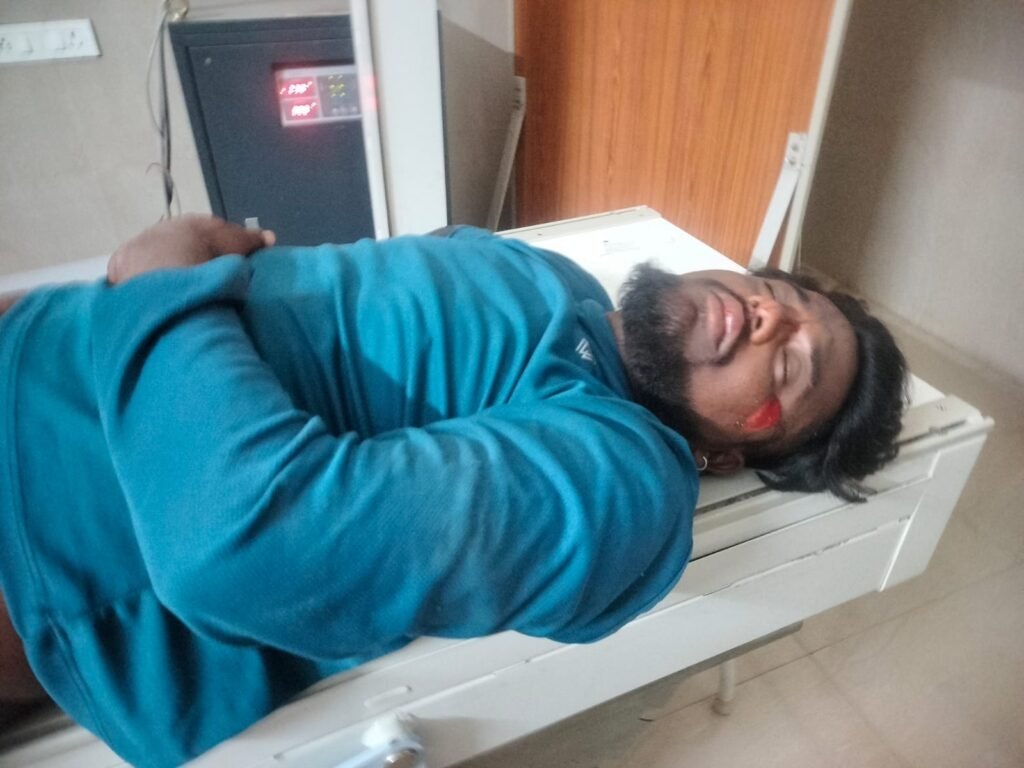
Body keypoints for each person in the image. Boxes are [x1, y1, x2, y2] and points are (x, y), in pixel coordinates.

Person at [0, 215, 906, 766]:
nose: (768, 313)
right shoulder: (559, 280)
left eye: (791, 366)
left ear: (732, 456)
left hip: (32, 514)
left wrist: (163, 281)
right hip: (44, 335)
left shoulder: (623, 481)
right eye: (776, 290)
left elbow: (241, 542)